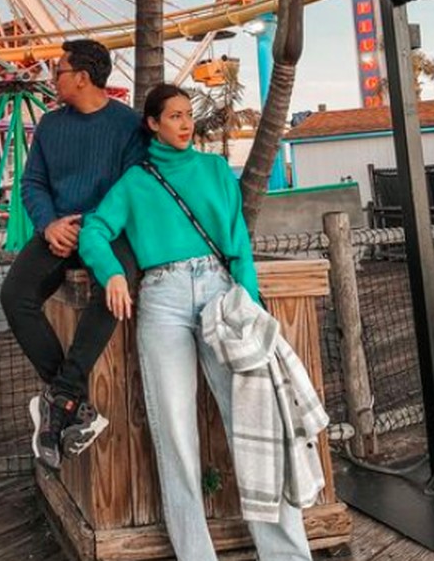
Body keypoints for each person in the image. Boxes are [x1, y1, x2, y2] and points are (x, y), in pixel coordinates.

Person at [78, 83, 315, 561]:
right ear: (152, 124)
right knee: (174, 433)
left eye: (188, 115)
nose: (186, 124)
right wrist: (113, 275)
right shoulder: (135, 181)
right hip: (161, 297)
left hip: (220, 294)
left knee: (257, 426)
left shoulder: (213, 170)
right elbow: (93, 232)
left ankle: (288, 554)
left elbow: (238, 244)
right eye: (174, 116)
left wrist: (249, 304)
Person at [0, 38, 145, 471]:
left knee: (116, 289)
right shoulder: (50, 125)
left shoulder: (128, 126)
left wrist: (89, 226)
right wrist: (48, 224)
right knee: (15, 296)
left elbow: (132, 190)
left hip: (107, 229)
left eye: (58, 70)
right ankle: (71, 398)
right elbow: (33, 184)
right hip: (59, 230)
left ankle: (60, 399)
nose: (52, 77)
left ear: (82, 77)